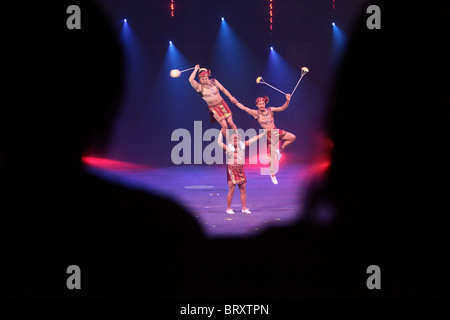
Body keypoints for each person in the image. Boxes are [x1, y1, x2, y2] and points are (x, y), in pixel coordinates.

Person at [233, 94, 295, 184]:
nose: (261, 105)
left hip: (275, 131)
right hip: (269, 135)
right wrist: (236, 103)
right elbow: (244, 108)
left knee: (292, 137)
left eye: (262, 103)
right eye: (259, 104)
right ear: (257, 105)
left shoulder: (270, 110)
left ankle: (280, 150)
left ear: (265, 103)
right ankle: (272, 174)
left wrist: (288, 100)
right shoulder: (256, 113)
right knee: (272, 156)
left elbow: (282, 108)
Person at [189, 64, 244, 150]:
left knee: (231, 122)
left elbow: (223, 89)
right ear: (199, 79)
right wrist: (195, 69)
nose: (205, 80)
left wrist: (231, 97)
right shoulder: (199, 87)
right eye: (203, 79)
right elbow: (190, 79)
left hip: (222, 104)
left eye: (206, 78)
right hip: (213, 108)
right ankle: (230, 143)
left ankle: (239, 141)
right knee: (224, 126)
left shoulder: (214, 81)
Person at [217, 130, 267, 214]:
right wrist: (220, 132)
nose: (235, 140)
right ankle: (228, 209)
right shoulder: (228, 147)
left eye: (236, 139)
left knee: (243, 189)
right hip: (231, 169)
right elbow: (218, 142)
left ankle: (244, 208)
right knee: (231, 190)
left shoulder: (243, 145)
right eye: (233, 139)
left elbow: (255, 138)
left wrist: (264, 133)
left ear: (239, 139)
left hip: (240, 169)